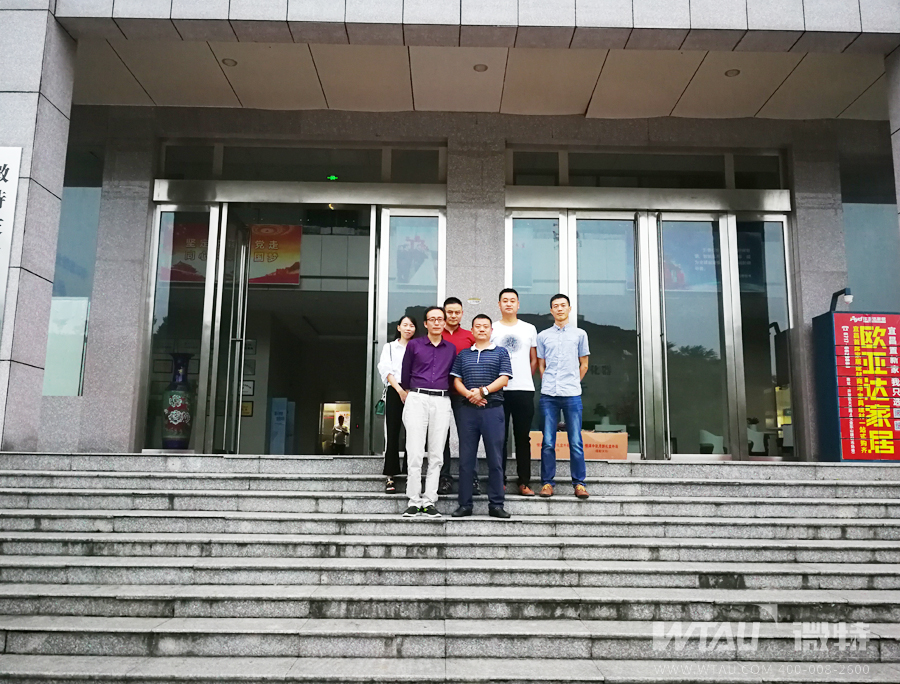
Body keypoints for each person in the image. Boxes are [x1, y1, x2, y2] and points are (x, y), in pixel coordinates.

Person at [451, 314, 513, 519]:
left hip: (493, 410)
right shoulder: (463, 355)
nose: (482, 329)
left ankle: (496, 505)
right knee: (466, 460)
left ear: (491, 330)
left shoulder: (501, 352)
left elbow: (504, 379)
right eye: (477, 326)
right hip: (467, 411)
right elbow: (456, 380)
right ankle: (464, 505)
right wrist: (470, 395)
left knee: (495, 459)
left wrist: (483, 392)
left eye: (486, 326)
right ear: (472, 330)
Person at [399, 305, 456, 518]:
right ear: (425, 323)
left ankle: (430, 500)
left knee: (436, 453)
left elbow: (451, 376)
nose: (436, 322)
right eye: (432, 319)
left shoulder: (450, 349)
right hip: (417, 397)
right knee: (414, 451)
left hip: (441, 400)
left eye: (440, 319)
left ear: (444, 323)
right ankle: (414, 500)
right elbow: (405, 373)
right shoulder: (414, 345)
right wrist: (410, 393)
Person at [536, 294, 590, 500]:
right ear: (551, 310)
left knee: (575, 441)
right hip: (549, 395)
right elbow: (541, 364)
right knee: (548, 442)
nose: (559, 309)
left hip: (572, 395)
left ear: (569, 308)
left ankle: (579, 484)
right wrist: (548, 382)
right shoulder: (543, 336)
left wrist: (573, 382)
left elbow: (584, 364)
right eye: (555, 306)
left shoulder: (580, 334)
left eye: (563, 305)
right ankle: (547, 483)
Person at [492, 288, 538, 496]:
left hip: (524, 390)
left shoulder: (529, 328)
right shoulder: (492, 328)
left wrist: (524, 376)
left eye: (512, 300)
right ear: (499, 304)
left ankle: (524, 481)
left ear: (518, 304)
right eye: (505, 300)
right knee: (498, 438)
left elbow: (534, 359)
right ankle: (499, 480)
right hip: (499, 391)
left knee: (522, 437)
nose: (509, 303)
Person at [438, 296, 478, 496]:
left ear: (462, 313)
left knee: (468, 437)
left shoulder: (470, 337)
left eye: (457, 312)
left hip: (465, 395)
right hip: (441, 393)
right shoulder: (436, 335)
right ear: (444, 313)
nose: (453, 315)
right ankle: (444, 478)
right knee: (441, 438)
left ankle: (471, 479)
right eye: (450, 312)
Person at [377, 315, 417, 493]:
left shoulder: (418, 347)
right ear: (399, 327)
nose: (408, 328)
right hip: (395, 391)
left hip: (413, 391)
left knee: (413, 434)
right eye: (405, 325)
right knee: (392, 433)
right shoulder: (390, 347)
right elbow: (385, 369)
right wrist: (400, 390)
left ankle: (410, 474)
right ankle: (390, 475)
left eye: (412, 325)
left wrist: (408, 390)